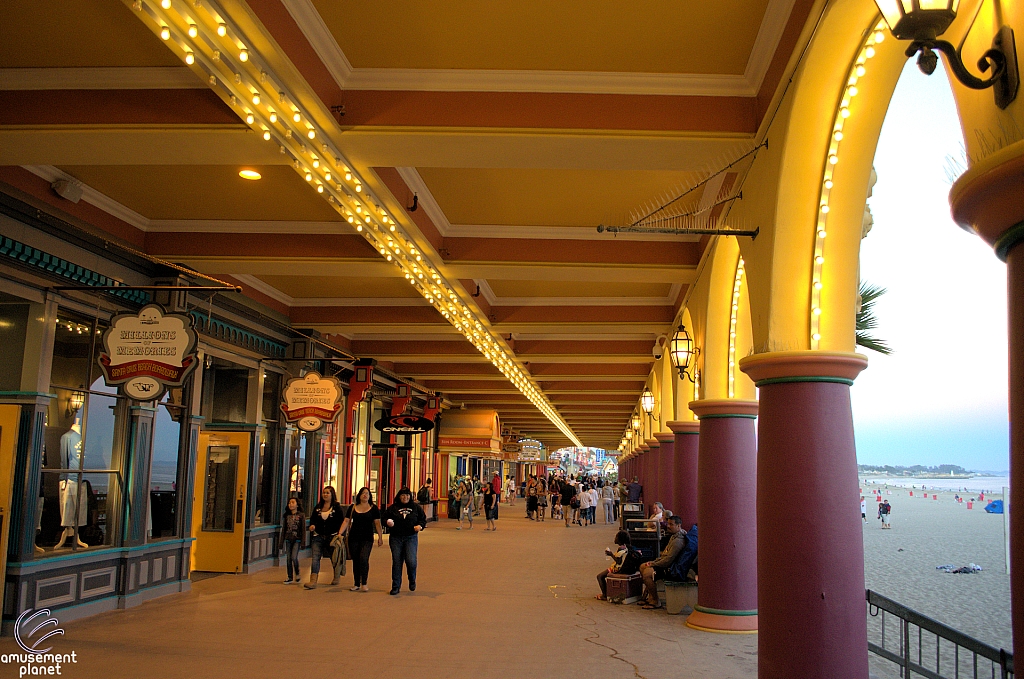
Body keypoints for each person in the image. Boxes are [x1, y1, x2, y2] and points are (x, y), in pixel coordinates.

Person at [383, 487, 427, 595]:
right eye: (403, 495)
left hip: (410, 537)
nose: (405, 497)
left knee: (411, 561)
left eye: (407, 495)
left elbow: (423, 519)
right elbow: (384, 518)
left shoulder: (415, 507)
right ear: (399, 496)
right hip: (396, 538)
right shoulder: (393, 508)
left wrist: (420, 526)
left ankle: (412, 579)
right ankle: (396, 586)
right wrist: (387, 522)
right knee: (397, 561)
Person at [638, 516, 688, 609]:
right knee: (642, 566)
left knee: (647, 573)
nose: (668, 526)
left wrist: (653, 564)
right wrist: (654, 561)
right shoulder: (674, 536)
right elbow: (665, 555)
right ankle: (650, 596)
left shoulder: (678, 541)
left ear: (678, 525)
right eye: (668, 523)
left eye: (671, 524)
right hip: (665, 564)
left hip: (671, 569)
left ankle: (656, 601)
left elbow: (668, 560)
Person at [339, 487, 383, 592]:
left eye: (367, 493)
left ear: (370, 496)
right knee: (356, 560)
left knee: (364, 558)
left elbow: (377, 523)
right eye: (363, 493)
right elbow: (346, 521)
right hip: (353, 537)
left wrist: (380, 537)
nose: (365, 495)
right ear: (359, 495)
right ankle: (356, 583)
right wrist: (340, 533)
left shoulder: (373, 508)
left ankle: (364, 582)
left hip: (367, 538)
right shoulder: (353, 507)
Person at [305, 486, 344, 589]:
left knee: (334, 557)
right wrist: (312, 525)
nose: (325, 495)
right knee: (316, 558)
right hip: (318, 536)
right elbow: (313, 519)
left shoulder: (336, 507)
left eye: (327, 493)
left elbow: (342, 521)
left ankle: (336, 576)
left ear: (332, 495)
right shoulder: (318, 507)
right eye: (324, 493)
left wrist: (340, 534)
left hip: (332, 537)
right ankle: (313, 580)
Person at [596, 530, 640, 601]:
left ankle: (604, 595)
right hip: (624, 568)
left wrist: (611, 554)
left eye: (616, 537)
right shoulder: (628, 547)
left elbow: (618, 561)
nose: (615, 538)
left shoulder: (622, 548)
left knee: (600, 576)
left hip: (618, 569)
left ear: (620, 539)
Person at [279, 497, 305, 584]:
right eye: (289, 503)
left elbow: (303, 529)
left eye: (293, 502)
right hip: (288, 539)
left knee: (294, 557)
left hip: (297, 539)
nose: (291, 504)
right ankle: (289, 577)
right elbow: (284, 530)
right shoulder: (287, 516)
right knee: (288, 558)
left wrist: (303, 541)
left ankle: (297, 573)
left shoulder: (301, 516)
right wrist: (281, 542)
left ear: (297, 504)